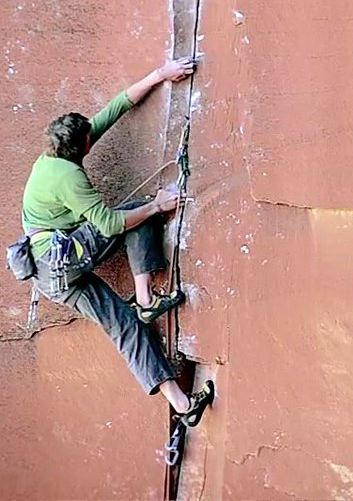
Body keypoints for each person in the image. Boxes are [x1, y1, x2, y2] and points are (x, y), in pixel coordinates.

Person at [20, 55, 213, 426]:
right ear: (83, 147)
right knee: (138, 213)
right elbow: (108, 224)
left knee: (124, 327)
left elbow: (116, 108)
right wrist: (158, 205)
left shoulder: (50, 159)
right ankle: (143, 299)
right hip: (65, 260)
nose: (95, 133)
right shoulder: (69, 179)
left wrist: (160, 75)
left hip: (51, 276)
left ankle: (184, 405)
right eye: (90, 135)